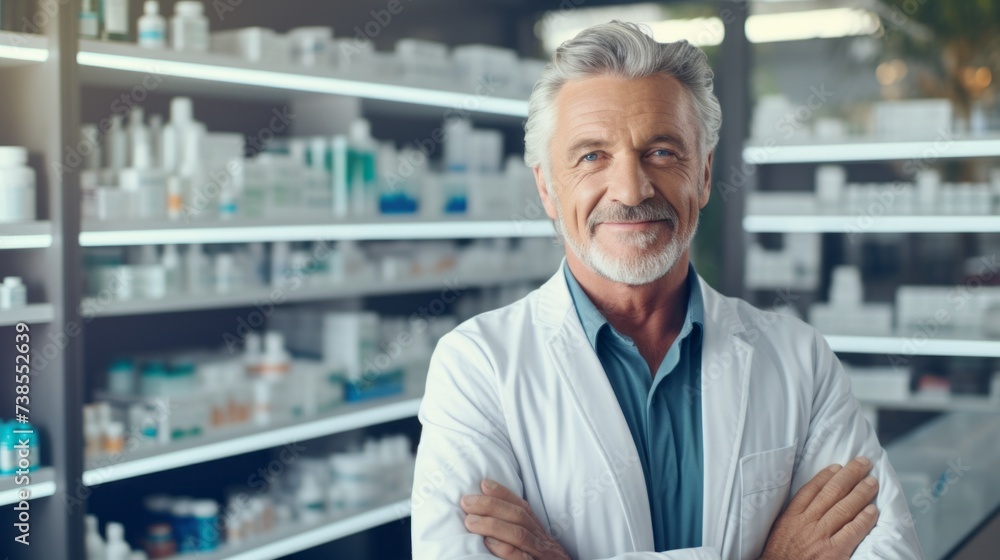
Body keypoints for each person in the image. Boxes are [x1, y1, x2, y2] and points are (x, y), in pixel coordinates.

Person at [411, 21, 923, 560]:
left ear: (703, 176)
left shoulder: (799, 359)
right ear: (546, 187)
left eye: (660, 152)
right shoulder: (477, 367)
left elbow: (889, 550)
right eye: (591, 156)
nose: (631, 190)